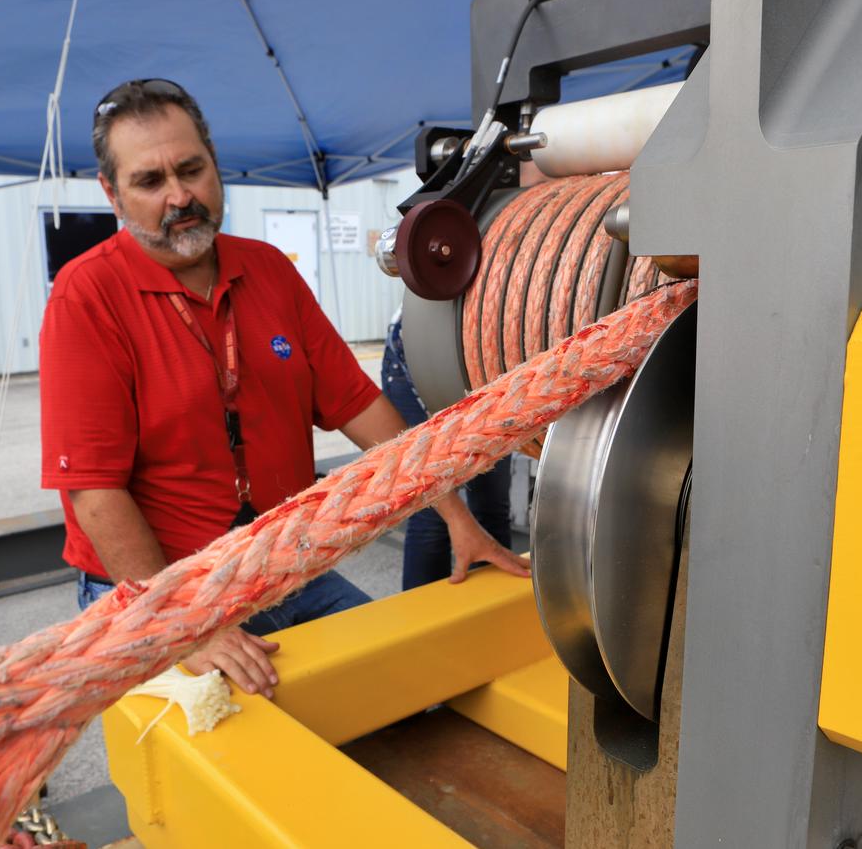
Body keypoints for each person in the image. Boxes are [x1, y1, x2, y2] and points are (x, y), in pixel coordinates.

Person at [40, 79, 529, 700]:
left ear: (215, 164)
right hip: (155, 592)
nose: (180, 196)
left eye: (192, 170)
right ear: (112, 193)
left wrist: (457, 517)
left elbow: (362, 409)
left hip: (277, 569)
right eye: (150, 181)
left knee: (403, 695)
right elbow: (95, 493)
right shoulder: (86, 297)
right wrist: (179, 628)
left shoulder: (267, 268)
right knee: (243, 767)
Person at [380, 309, 513, 589]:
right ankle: (425, 623)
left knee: (491, 504)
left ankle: (494, 610)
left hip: (495, 362)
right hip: (422, 355)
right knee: (432, 512)